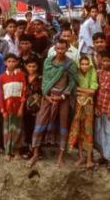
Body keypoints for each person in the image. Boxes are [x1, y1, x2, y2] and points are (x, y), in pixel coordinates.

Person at [29, 38, 77, 167]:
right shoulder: (48, 62)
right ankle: (35, 153)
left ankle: (61, 156)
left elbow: (72, 83)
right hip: (48, 97)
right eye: (58, 48)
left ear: (67, 49)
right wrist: (46, 94)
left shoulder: (70, 64)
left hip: (63, 99)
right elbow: (45, 80)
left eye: (63, 49)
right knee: (40, 121)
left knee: (63, 124)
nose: (60, 51)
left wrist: (62, 96)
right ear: (55, 49)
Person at [68, 55, 99, 169]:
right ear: (79, 65)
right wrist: (85, 91)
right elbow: (73, 89)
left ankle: (89, 159)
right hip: (78, 105)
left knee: (88, 131)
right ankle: (81, 157)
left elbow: (93, 90)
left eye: (86, 64)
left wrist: (81, 90)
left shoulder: (92, 72)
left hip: (88, 106)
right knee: (78, 130)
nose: (84, 66)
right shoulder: (76, 73)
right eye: (82, 64)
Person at [0, 53, 27, 159]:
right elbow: (1, 95)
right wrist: (3, 110)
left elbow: (24, 93)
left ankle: (17, 150)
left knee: (17, 129)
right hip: (7, 108)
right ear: (5, 63)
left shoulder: (21, 76)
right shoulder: (2, 77)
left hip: (17, 108)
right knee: (7, 129)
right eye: (9, 61)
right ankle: (7, 151)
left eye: (13, 61)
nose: (11, 64)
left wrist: (21, 107)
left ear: (17, 62)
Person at [18, 58, 43, 158]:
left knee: (36, 128)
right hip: (25, 106)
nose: (31, 68)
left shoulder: (41, 79)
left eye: (34, 66)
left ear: (37, 67)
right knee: (27, 127)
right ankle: (28, 149)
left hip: (37, 107)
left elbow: (43, 93)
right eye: (29, 66)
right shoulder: (23, 77)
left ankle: (37, 150)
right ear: (25, 67)